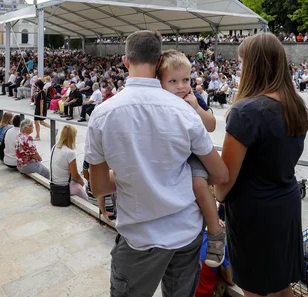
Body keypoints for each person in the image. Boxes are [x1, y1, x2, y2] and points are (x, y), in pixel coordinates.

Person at [85, 30, 228, 297]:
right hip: (186, 232)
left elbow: (100, 185)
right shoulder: (184, 110)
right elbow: (220, 174)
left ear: (126, 61)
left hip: (140, 237)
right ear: (159, 59)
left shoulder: (102, 114)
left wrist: (134, 173)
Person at [215, 33, 308, 297]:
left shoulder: (246, 111)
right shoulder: (295, 105)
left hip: (254, 211)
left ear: (253, 65)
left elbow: (224, 180)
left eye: (241, 62)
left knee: (254, 287)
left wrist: (219, 197)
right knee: (281, 285)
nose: (239, 68)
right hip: (286, 202)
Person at [157, 50, 223, 267]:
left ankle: (215, 233)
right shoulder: (159, 100)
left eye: (185, 79)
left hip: (196, 154)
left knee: (197, 184)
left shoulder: (193, 97)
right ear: (160, 82)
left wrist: (195, 107)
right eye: (173, 81)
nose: (181, 86)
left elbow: (211, 125)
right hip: (173, 154)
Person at [51, 125, 89, 200]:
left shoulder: (54, 147)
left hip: (55, 184)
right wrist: (82, 183)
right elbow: (75, 176)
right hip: (66, 187)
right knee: (86, 199)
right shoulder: (70, 153)